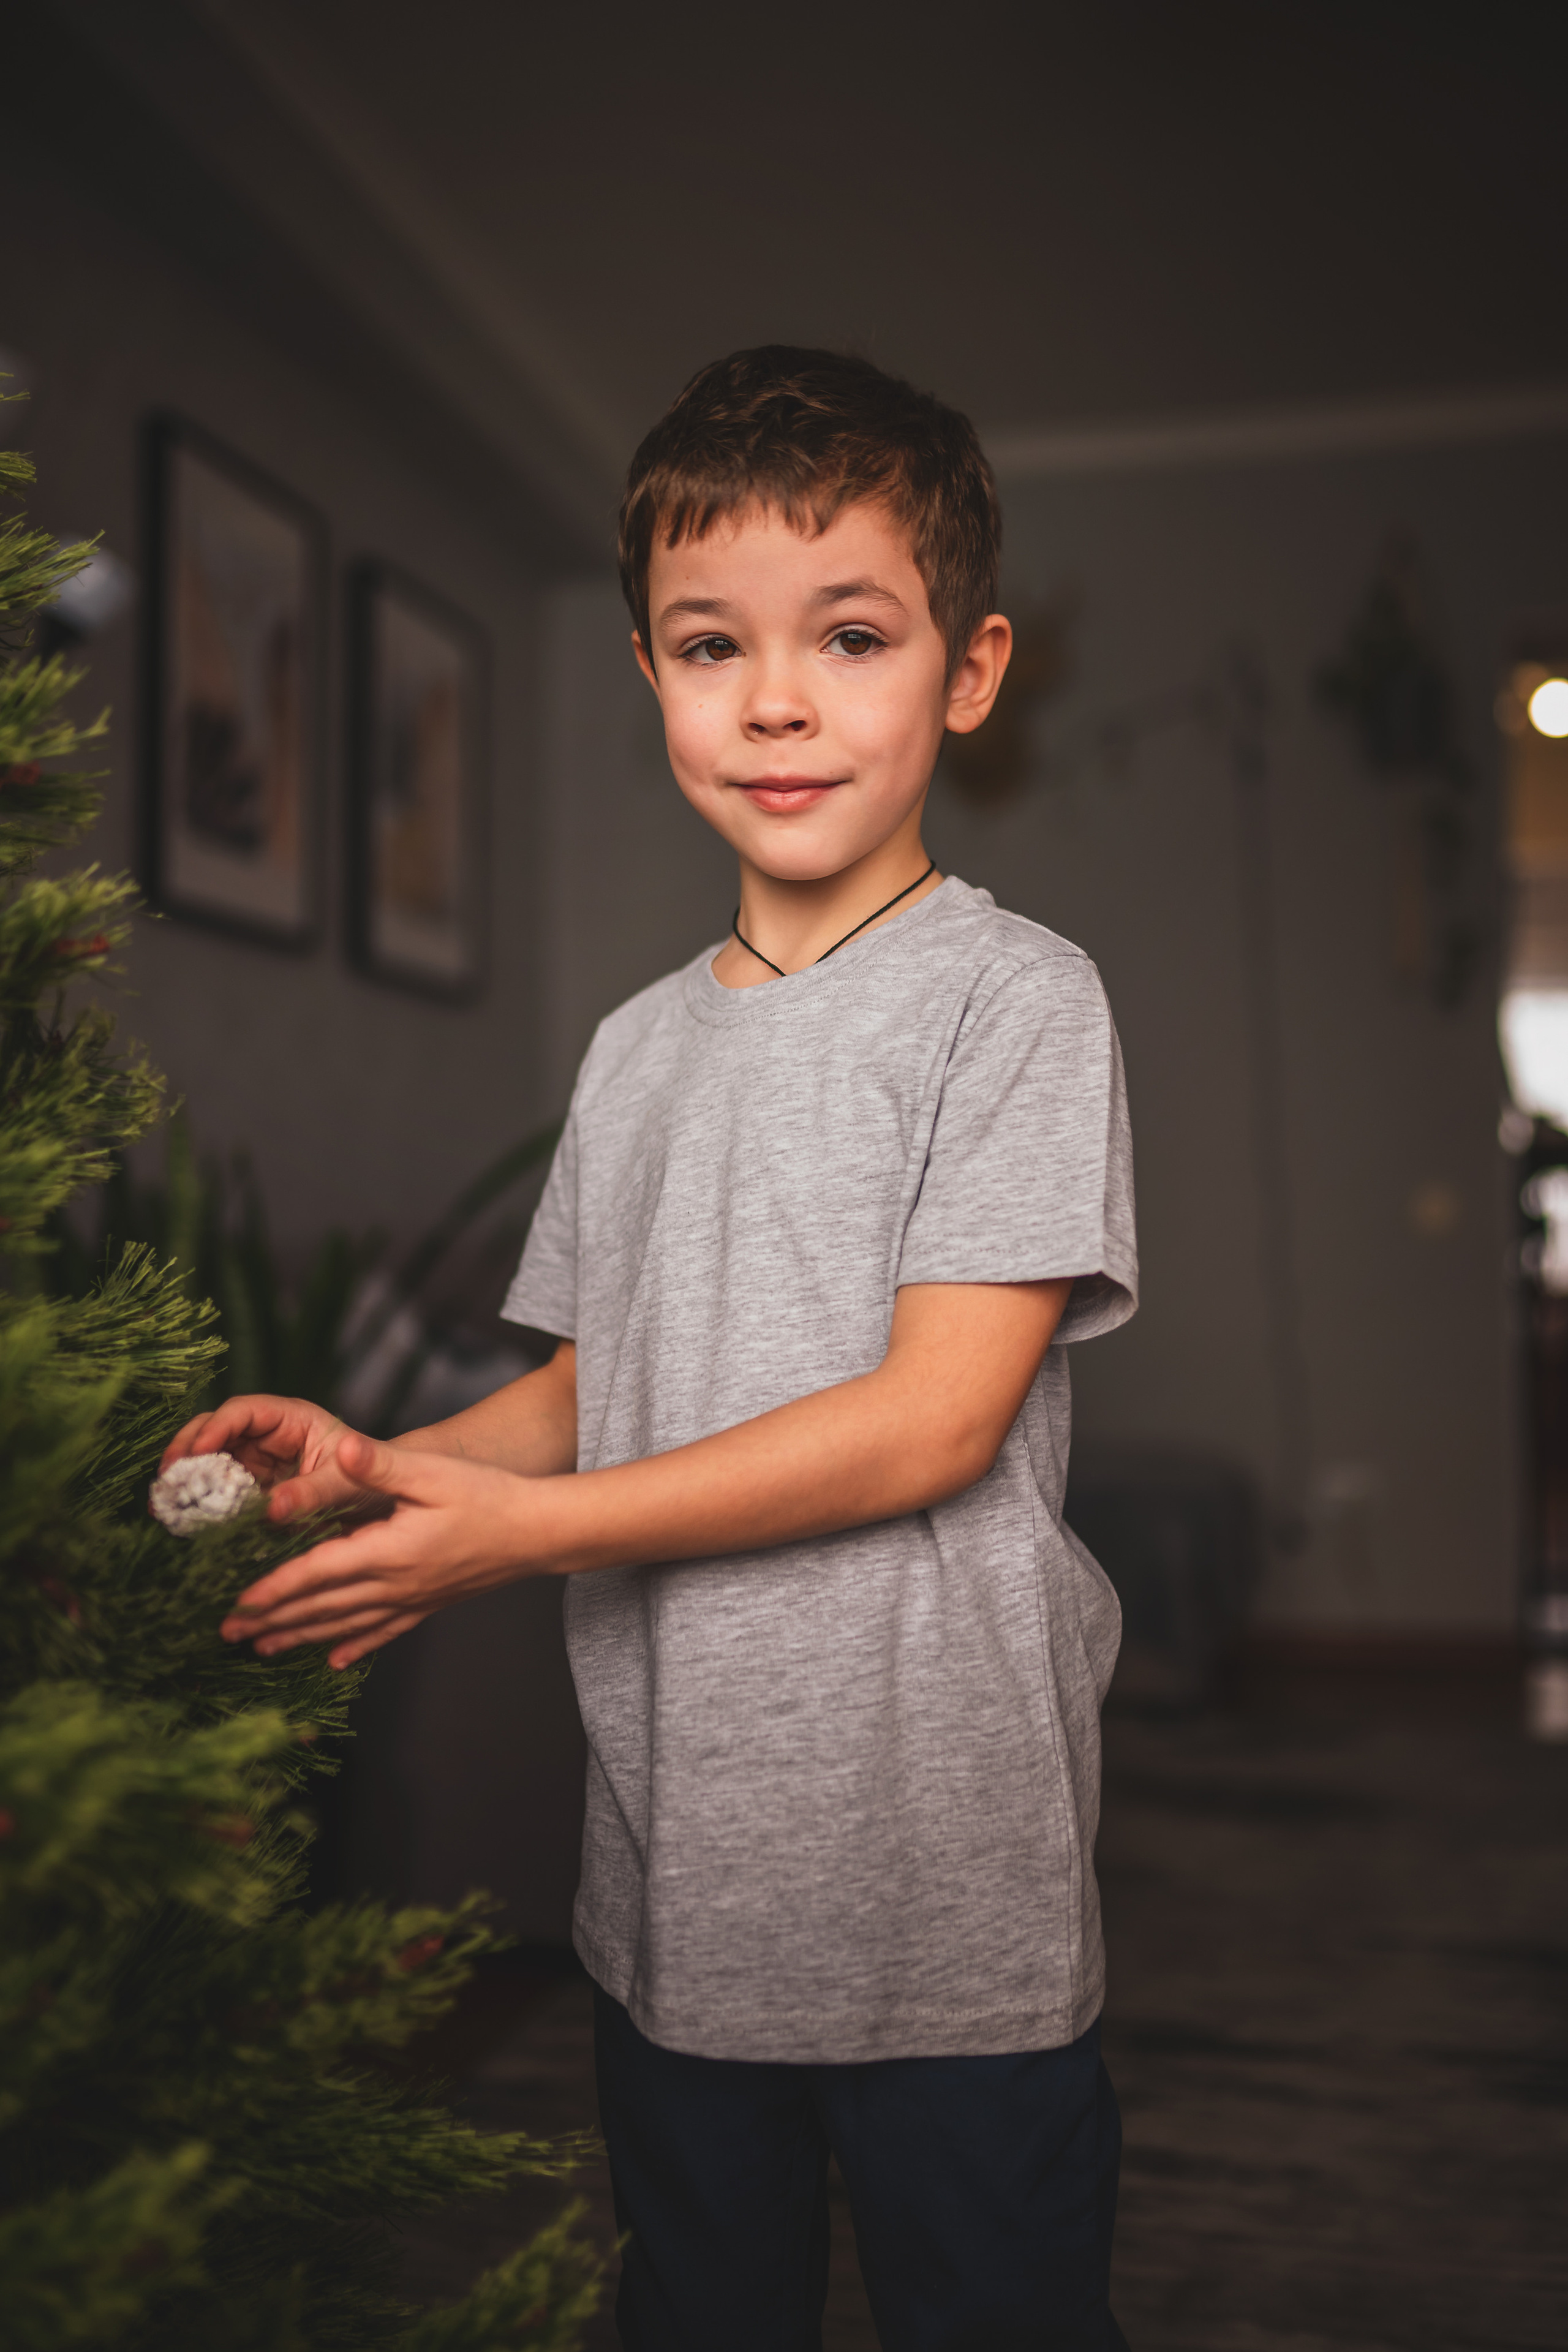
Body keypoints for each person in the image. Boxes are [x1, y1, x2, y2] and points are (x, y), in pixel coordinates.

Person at [167, 346, 1137, 2351]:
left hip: (938, 1885)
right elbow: (610, 1386)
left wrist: (522, 1544)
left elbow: (935, 1423)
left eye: (850, 635)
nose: (776, 698)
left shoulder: (1016, 1002)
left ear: (969, 671)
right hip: (676, 1885)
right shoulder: (633, 1048)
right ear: (651, 677)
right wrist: (390, 1463)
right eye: (713, 645)